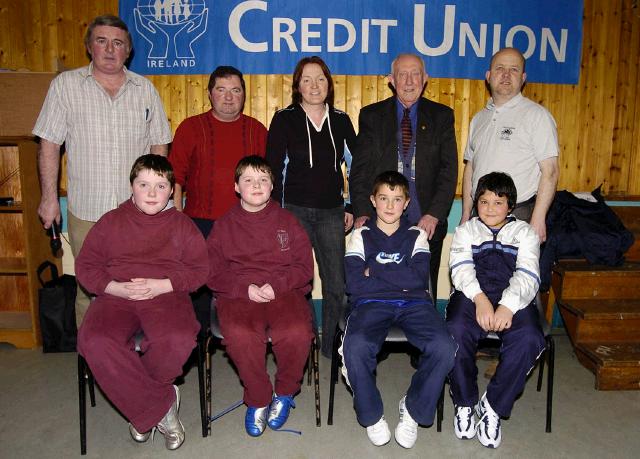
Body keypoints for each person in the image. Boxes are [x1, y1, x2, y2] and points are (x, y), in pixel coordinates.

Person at [33, 14, 172, 326]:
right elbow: (49, 144)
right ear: (89, 47)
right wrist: (49, 198)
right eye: (102, 41)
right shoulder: (65, 87)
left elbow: (160, 145)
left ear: (128, 51)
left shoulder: (145, 90)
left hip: (137, 214)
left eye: (118, 43)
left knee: (142, 287)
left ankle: (139, 363)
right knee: (91, 289)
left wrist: (160, 200)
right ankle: (94, 366)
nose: (110, 49)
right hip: (88, 212)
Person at [76, 154, 208, 450]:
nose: (151, 193)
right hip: (116, 295)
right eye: (144, 184)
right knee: (94, 340)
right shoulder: (111, 222)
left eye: (161, 186)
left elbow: (201, 269)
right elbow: (86, 266)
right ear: (131, 187)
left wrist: (163, 284)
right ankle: (162, 406)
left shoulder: (182, 225)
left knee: (178, 337)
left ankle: (141, 411)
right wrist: (115, 288)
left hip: (165, 294)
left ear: (172, 190)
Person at [340, 171, 456, 449]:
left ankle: (413, 410)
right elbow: (355, 284)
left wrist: (376, 269)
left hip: (414, 303)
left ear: (406, 203)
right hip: (371, 303)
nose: (390, 206)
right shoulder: (360, 235)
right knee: (355, 346)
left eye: (397, 199)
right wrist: (398, 272)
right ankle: (372, 415)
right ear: (373, 201)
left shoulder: (417, 235)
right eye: (383, 198)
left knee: (444, 346)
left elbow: (418, 280)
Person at [207, 155, 315, 437]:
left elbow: (304, 268)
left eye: (263, 180)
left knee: (296, 332)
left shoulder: (288, 222)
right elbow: (212, 271)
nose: (256, 186)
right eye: (249, 180)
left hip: (282, 291)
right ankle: (257, 398)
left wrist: (277, 285)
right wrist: (245, 288)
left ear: (272, 186)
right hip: (238, 294)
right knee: (242, 335)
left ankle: (284, 392)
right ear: (236, 187)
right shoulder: (223, 226)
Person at [447, 172, 545, 449]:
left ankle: (492, 406)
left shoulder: (524, 233)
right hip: (472, 294)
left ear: (511, 206)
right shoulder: (466, 231)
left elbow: (527, 275)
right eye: (484, 201)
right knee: (454, 331)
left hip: (513, 297)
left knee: (529, 338)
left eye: (498, 202)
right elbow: (460, 269)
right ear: (476, 202)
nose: (490, 208)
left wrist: (507, 306)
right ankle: (465, 403)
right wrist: (479, 299)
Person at [266, 56, 356, 358]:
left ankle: (330, 346)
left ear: (329, 84)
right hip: (293, 212)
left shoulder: (342, 120)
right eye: (306, 79)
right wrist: (276, 216)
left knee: (336, 282)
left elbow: (357, 168)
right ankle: (302, 340)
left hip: (332, 212)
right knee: (298, 281)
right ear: (297, 85)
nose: (314, 85)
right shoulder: (284, 119)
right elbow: (273, 171)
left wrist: (351, 206)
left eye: (320, 79)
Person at [349, 53, 458, 303]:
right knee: (379, 286)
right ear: (391, 80)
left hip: (426, 222)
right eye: (402, 74)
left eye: (415, 73)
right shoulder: (371, 116)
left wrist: (434, 214)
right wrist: (363, 212)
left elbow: (449, 170)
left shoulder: (442, 116)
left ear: (425, 78)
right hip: (381, 223)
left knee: (423, 289)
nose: (409, 81)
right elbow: (360, 170)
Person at [169, 65, 267, 330]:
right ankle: (199, 342)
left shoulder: (256, 130)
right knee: (200, 288)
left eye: (235, 90)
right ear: (210, 94)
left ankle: (243, 336)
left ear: (243, 95)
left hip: (244, 226)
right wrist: (178, 224)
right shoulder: (190, 128)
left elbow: (269, 181)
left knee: (242, 285)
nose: (228, 97)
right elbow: (175, 178)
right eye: (221, 90)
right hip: (199, 224)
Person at [460, 47, 559, 242]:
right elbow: (470, 168)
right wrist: (465, 214)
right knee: (474, 273)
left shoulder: (537, 116)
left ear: (523, 78)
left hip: (519, 215)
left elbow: (551, 171)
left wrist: (538, 219)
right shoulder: (479, 119)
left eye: (513, 69)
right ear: (488, 76)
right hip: (479, 216)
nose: (506, 74)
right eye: (499, 68)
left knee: (517, 274)